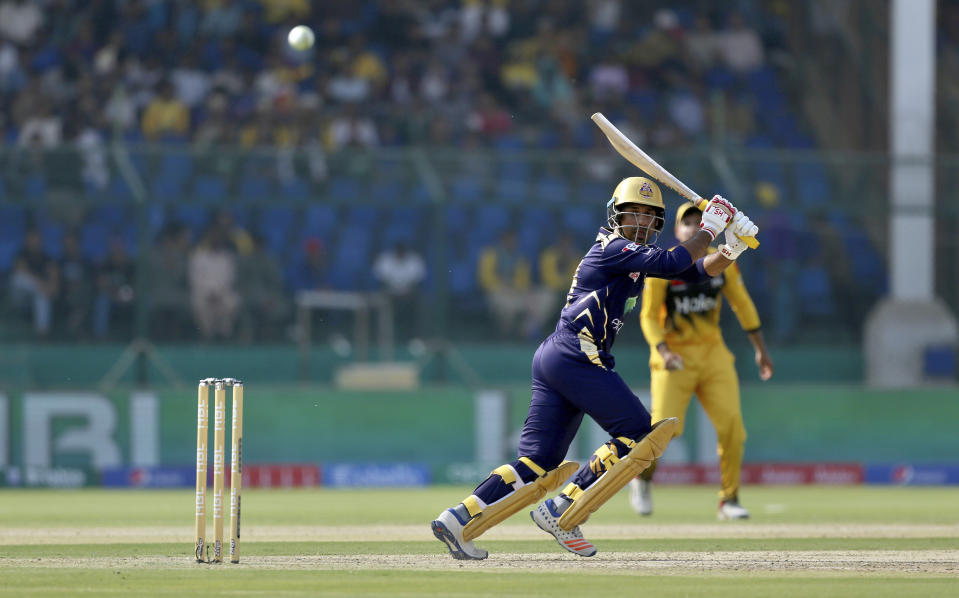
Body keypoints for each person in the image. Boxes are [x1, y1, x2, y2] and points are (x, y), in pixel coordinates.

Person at [431, 177, 759, 560]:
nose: (640, 222)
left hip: (558, 355)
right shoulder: (612, 247)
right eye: (633, 213)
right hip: (576, 351)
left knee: (538, 463)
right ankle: (563, 510)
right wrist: (710, 227)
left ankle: (457, 520)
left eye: (649, 216)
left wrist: (731, 247)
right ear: (615, 215)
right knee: (639, 434)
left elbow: (694, 271)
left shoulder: (632, 260)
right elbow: (674, 261)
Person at [627, 202, 774, 521]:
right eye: (687, 223)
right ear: (677, 231)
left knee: (732, 427)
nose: (694, 227)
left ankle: (729, 499)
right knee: (663, 432)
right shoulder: (662, 265)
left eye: (700, 221)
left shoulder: (725, 260)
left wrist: (760, 347)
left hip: (712, 354)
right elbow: (649, 317)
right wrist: (663, 352)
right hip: (674, 357)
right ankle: (643, 479)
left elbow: (742, 303)